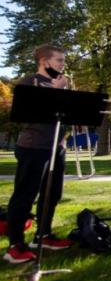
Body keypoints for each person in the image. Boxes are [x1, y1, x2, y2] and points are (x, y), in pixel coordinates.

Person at [4, 45, 73, 265]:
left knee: (52, 194)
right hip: (33, 147)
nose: (63, 65)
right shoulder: (30, 82)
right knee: (24, 195)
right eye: (59, 61)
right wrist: (56, 90)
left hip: (56, 147)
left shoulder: (63, 84)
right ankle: (15, 245)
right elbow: (30, 114)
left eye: (63, 61)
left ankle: (43, 235)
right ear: (44, 61)